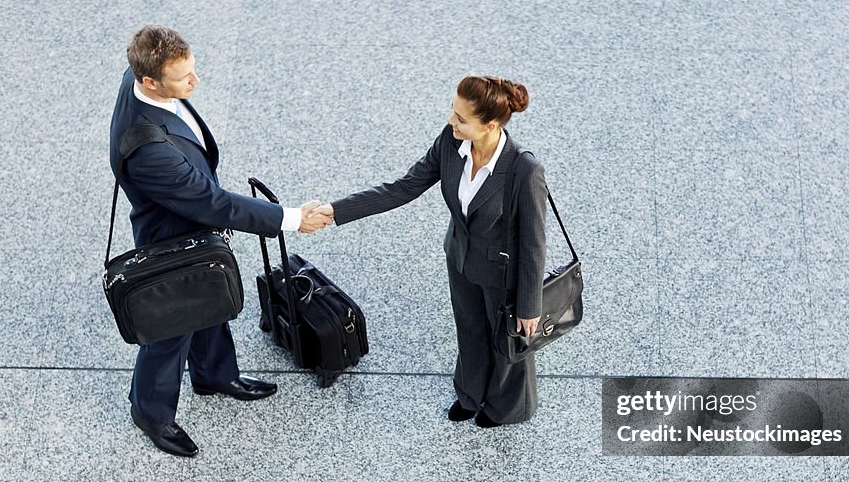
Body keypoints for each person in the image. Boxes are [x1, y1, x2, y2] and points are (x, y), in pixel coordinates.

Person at [109, 25, 334, 457]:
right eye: (183, 78)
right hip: (173, 234)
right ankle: (150, 411)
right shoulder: (151, 153)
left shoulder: (138, 74)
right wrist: (291, 219)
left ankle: (214, 374)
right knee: (171, 328)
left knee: (209, 300)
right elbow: (213, 204)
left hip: (189, 217)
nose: (196, 82)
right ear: (149, 82)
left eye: (192, 69)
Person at [328, 76, 548, 428]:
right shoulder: (451, 142)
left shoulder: (523, 168)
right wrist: (336, 211)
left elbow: (534, 242)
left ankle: (507, 407)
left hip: (502, 273)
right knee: (469, 329)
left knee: (507, 344)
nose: (451, 122)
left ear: (489, 126)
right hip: (460, 259)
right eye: (453, 111)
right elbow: (403, 188)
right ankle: (470, 394)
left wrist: (529, 305)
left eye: (461, 118)